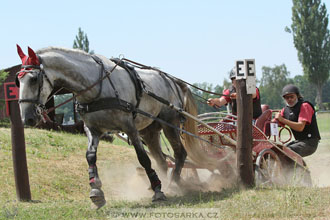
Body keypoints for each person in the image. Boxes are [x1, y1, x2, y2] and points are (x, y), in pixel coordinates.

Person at [274, 84, 321, 157]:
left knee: (286, 152)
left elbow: (300, 127)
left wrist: (282, 120)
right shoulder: (285, 110)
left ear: (297, 96)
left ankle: (291, 168)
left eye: (292, 96)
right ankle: (299, 168)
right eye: (287, 97)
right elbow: (276, 122)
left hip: (310, 142)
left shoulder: (305, 106)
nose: (289, 99)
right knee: (279, 150)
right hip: (299, 142)